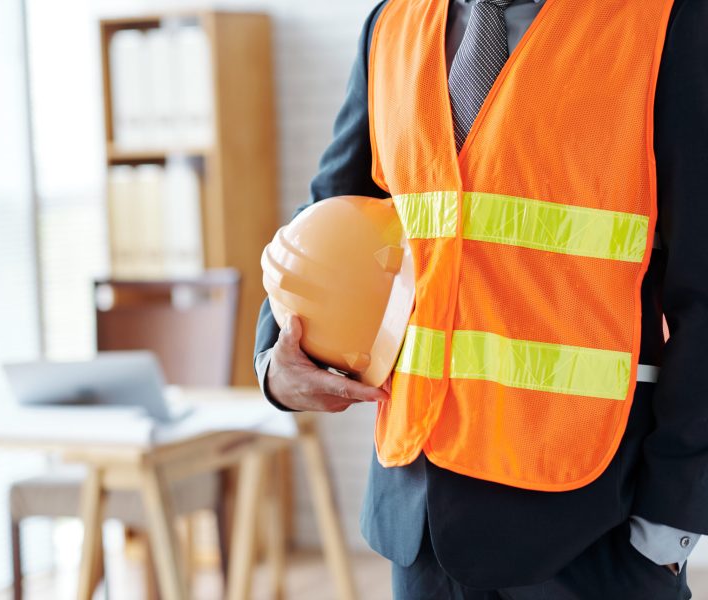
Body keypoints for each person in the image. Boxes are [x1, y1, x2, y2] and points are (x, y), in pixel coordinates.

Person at [254, 1, 708, 598]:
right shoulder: (392, 23)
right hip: (415, 515)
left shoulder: (664, 22)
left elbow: (700, 287)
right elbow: (330, 212)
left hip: (590, 522)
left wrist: (669, 523)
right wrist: (276, 356)